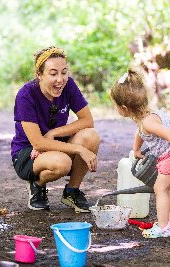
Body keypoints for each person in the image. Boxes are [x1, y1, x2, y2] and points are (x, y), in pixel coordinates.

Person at [110, 67, 170, 238]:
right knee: (167, 188)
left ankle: (164, 227)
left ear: (123, 107)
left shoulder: (149, 122)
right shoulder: (144, 117)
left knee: (160, 188)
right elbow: (139, 132)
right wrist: (136, 149)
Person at [11, 46, 100, 213]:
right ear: (40, 75)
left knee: (91, 136)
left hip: (55, 143)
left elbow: (88, 120)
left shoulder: (69, 86)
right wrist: (79, 149)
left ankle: (72, 191)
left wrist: (53, 133)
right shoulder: (26, 95)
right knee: (62, 163)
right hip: (28, 152)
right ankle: (37, 186)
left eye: (64, 72)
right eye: (53, 73)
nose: (60, 79)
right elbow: (38, 143)